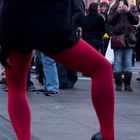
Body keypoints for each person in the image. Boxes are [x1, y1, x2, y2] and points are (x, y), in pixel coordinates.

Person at [0, 0, 115, 140]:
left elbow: (9, 5)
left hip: (18, 28)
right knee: (102, 69)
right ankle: (107, 134)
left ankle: (24, 138)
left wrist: (4, 40)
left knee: (16, 89)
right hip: (53, 26)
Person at [107, 0, 139, 92]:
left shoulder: (132, 7)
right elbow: (109, 21)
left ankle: (128, 84)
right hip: (117, 37)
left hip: (129, 37)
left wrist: (128, 11)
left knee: (128, 61)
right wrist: (117, 12)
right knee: (117, 61)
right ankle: (118, 84)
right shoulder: (114, 7)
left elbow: (136, 21)